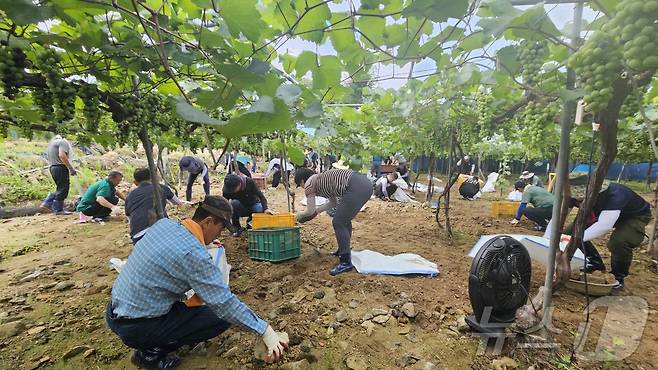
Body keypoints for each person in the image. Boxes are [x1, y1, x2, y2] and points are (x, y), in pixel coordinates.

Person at [106, 196, 288, 370]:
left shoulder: (164, 224)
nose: (221, 234)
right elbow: (224, 303)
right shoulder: (193, 254)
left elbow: (173, 252)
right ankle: (150, 353)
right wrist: (264, 330)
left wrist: (202, 243)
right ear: (208, 222)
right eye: (220, 228)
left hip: (114, 311)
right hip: (136, 327)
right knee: (218, 318)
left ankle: (155, 337)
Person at [544, 172, 652, 289]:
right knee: (568, 233)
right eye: (577, 197)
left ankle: (618, 277)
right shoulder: (570, 196)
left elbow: (604, 225)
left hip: (633, 216)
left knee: (618, 241)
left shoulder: (615, 194)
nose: (578, 200)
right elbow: (558, 217)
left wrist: (575, 239)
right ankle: (595, 263)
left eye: (582, 197)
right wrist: (547, 238)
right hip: (600, 212)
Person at [294, 167, 373, 276]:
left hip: (355, 187)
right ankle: (343, 249)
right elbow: (333, 203)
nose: (302, 187)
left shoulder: (309, 184)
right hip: (364, 184)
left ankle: (345, 262)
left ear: (302, 180)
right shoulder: (322, 180)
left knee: (338, 222)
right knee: (344, 219)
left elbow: (309, 211)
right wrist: (317, 211)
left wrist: (297, 217)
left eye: (300, 185)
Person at [125, 168, 182, 244]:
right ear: (152, 178)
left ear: (135, 182)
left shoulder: (129, 196)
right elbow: (177, 202)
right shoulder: (161, 187)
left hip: (138, 238)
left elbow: (129, 217)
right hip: (160, 232)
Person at [41, 135, 77, 215]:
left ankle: (47, 202)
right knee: (64, 188)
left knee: (60, 187)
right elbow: (62, 155)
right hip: (60, 167)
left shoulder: (51, 144)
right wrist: (71, 168)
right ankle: (58, 209)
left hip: (52, 167)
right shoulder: (63, 142)